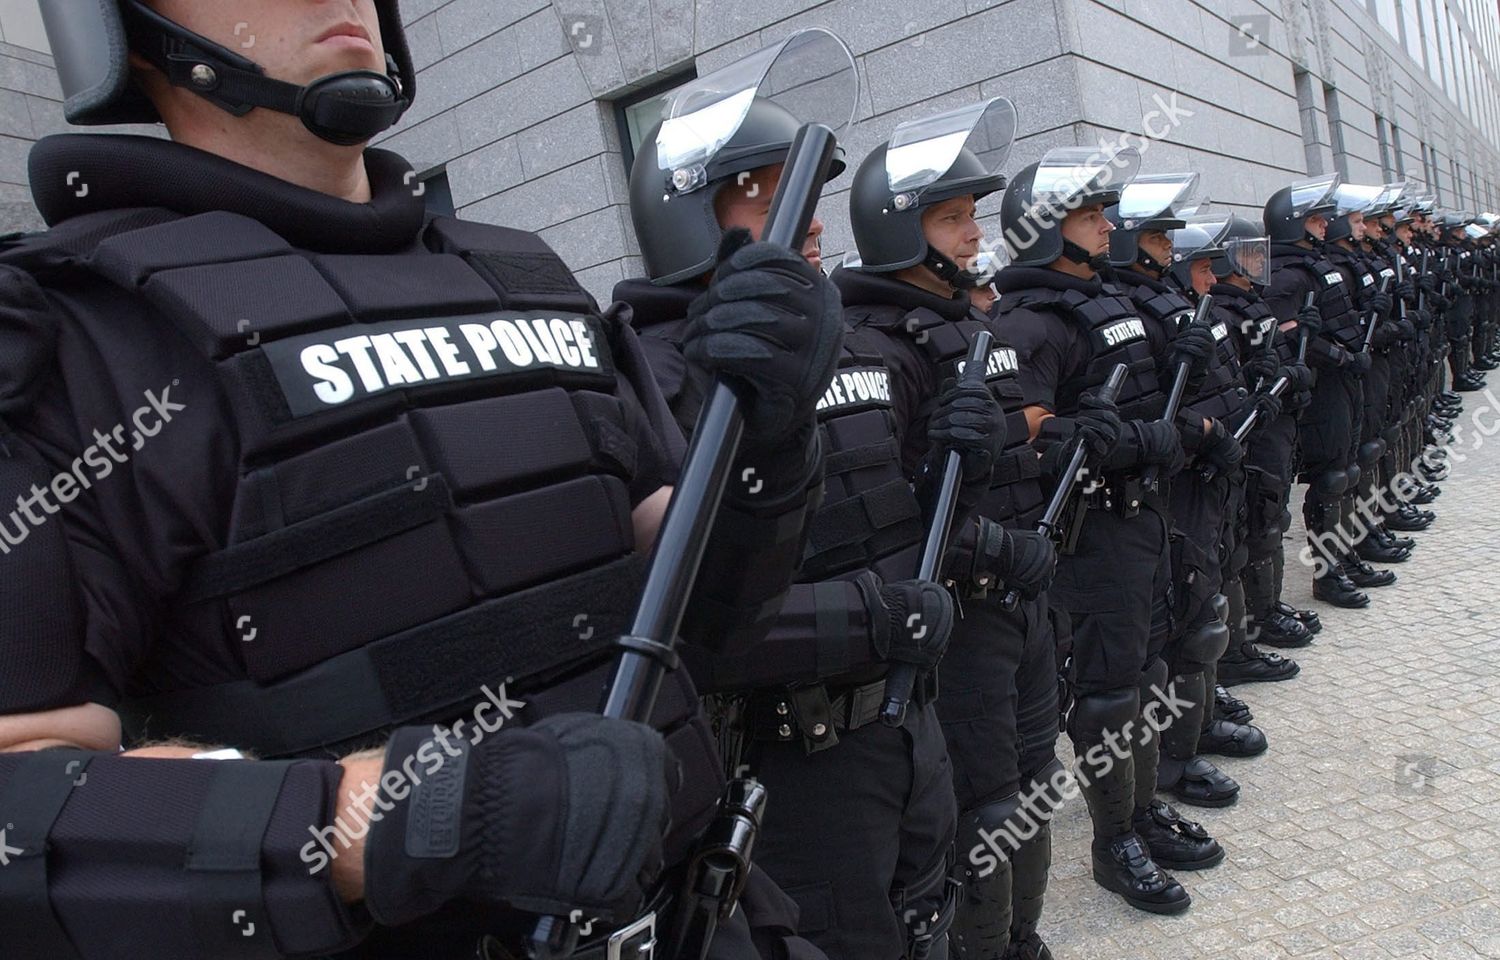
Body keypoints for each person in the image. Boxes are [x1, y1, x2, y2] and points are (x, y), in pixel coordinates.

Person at [0, 4, 844, 958]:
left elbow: (701, 617)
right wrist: (416, 815)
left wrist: (771, 452)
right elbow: (23, 810)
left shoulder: (524, 274)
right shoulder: (74, 339)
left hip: (704, 914)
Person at [618, 88, 979, 960]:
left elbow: (890, 514)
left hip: (907, 720)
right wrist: (870, 617)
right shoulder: (651, 383)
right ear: (690, 215)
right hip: (793, 763)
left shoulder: (841, 343)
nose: (809, 223)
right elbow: (681, 620)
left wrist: (963, 462)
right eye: (765, 194)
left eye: (806, 194)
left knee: (934, 917)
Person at [837, 98, 1067, 959]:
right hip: (960, 615)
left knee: (1038, 782)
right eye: (953, 217)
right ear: (900, 230)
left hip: (1027, 597)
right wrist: (998, 548)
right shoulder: (870, 345)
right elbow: (894, 510)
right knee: (989, 805)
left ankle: (1023, 941)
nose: (975, 233)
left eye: (973, 215)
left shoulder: (972, 320)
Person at [992, 147, 1221, 916]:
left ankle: (1143, 807)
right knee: (1109, 692)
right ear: (1046, 233)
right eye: (1089, 215)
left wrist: (1182, 418)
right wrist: (1107, 440)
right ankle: (1113, 841)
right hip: (1092, 534)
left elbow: (1173, 400)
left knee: (1150, 672)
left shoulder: (1111, 299)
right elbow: (1020, 426)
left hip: (1148, 517)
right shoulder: (1027, 320)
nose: (1105, 225)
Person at [1262, 175, 1374, 609]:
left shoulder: (1316, 263)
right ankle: (1328, 575)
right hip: (1320, 388)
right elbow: (1283, 336)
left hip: (1344, 382)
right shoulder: (1285, 275)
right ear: (1292, 224)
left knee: (1347, 470)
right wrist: (1338, 356)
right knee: (1330, 478)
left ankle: (1343, 556)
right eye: (1314, 218)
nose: (1325, 224)